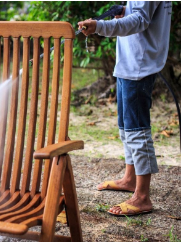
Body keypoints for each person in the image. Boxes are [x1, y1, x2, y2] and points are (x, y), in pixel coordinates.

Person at [77, 1, 172, 216]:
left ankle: (142, 197)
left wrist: (100, 26)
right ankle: (130, 179)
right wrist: (123, 11)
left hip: (139, 65)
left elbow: (139, 20)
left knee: (137, 130)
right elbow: (141, 13)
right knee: (125, 127)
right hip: (129, 63)